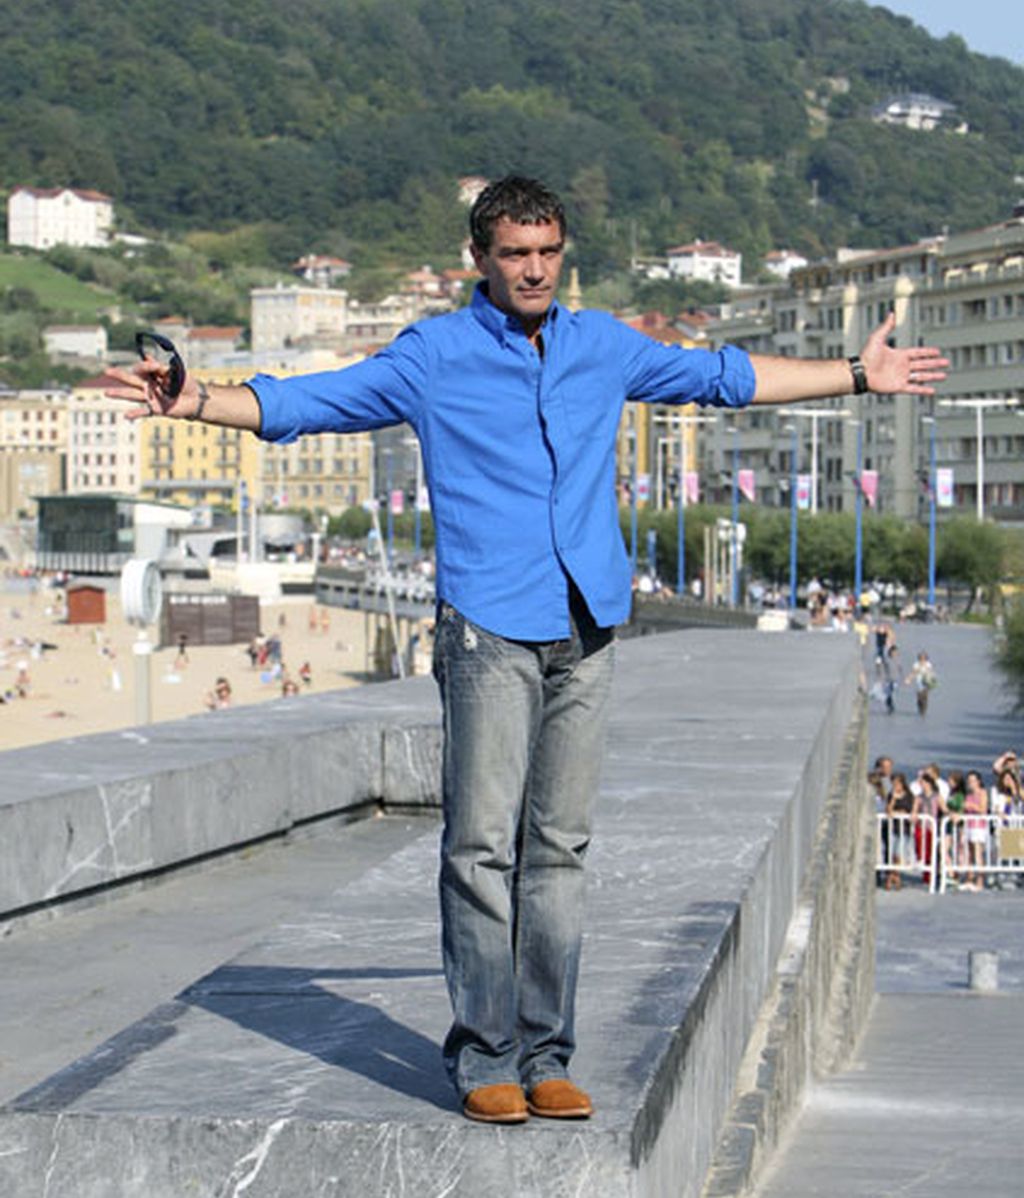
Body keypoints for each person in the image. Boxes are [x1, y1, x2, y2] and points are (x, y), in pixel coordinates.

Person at [106, 174, 948, 1125]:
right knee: (479, 849)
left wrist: (855, 374)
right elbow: (314, 401)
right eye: (515, 254)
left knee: (559, 850)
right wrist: (195, 399)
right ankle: (485, 1055)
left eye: (548, 252)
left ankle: (549, 1053)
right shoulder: (435, 355)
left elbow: (725, 377)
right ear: (481, 259)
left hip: (586, 623)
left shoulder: (601, 345)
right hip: (488, 627)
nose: (535, 269)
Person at [905, 650, 936, 716]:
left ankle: (924, 709)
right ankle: (920, 707)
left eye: (924, 657)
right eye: (921, 657)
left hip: (926, 681)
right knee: (919, 697)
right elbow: (913, 672)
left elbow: (930, 672)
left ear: (926, 658)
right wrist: (909, 679)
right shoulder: (916, 664)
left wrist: (933, 679)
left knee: (925, 695)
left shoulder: (928, 664)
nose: (922, 658)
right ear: (919, 658)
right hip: (918, 681)